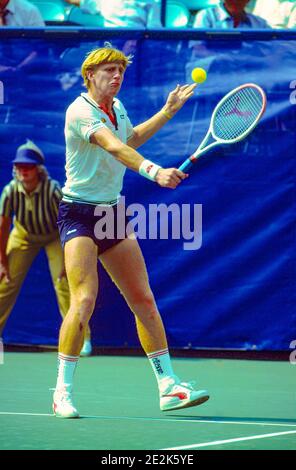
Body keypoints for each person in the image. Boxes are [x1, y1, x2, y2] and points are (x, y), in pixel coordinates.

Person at [53, 43, 210, 418]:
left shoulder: (117, 108)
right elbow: (112, 147)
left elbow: (128, 140)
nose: (116, 76)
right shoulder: (79, 111)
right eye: (108, 70)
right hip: (78, 214)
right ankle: (62, 391)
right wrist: (155, 172)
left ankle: (168, 386)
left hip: (112, 214)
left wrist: (167, 112)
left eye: (119, 70)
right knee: (85, 300)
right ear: (89, 76)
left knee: (143, 299)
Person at [0, 140, 92, 356]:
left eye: (28, 166)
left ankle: (82, 339)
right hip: (22, 235)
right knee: (5, 281)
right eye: (20, 167)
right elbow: (3, 227)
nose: (24, 171)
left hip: (54, 236)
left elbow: (67, 222)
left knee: (67, 283)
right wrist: (2, 261)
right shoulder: (10, 191)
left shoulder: (53, 190)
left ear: (38, 169)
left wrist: (67, 258)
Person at [64, 0, 162, 28]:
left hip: (136, 46)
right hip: (111, 44)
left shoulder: (151, 3)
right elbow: (79, 1)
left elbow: (154, 31)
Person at [193, 0, 269, 29]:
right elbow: (198, 49)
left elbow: (275, 49)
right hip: (213, 63)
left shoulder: (260, 24)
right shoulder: (206, 16)